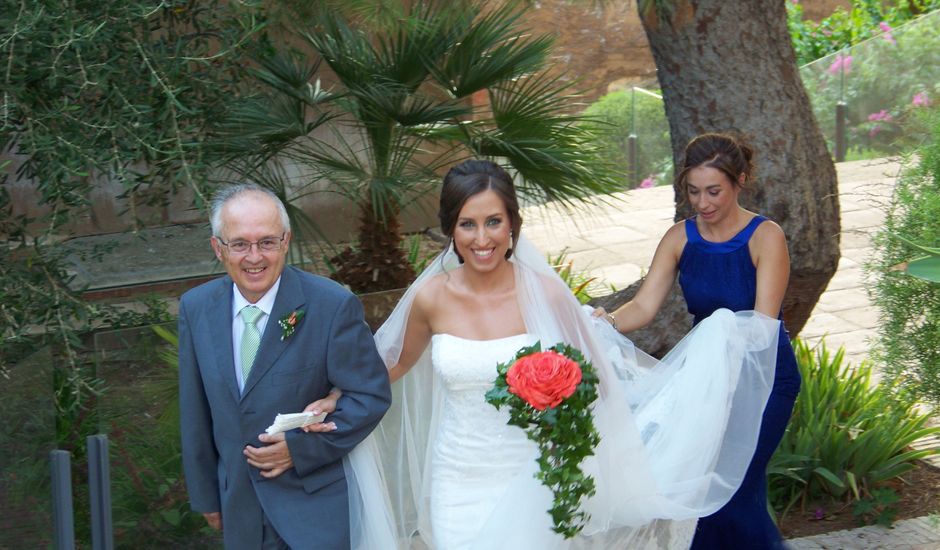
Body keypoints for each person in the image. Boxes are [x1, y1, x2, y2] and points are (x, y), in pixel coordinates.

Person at [315, 159, 784, 549]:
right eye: (468, 224)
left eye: (494, 221)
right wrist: (340, 394)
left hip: (534, 475)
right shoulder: (432, 298)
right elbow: (394, 363)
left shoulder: (545, 294)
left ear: (513, 224)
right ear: (450, 230)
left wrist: (560, 402)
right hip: (457, 478)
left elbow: (595, 380)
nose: (483, 239)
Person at [595, 133, 801, 549]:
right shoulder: (679, 238)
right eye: (693, 191)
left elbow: (762, 326)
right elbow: (644, 306)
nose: (703, 203)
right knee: (713, 489)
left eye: (714, 192)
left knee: (732, 490)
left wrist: (722, 335)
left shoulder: (766, 237)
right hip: (706, 382)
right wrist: (607, 320)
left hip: (764, 381)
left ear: (740, 181)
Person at [177, 183, 392, 549]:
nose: (254, 256)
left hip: (314, 511)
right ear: (218, 248)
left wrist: (300, 449)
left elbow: (370, 396)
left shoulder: (332, 305)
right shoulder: (196, 307)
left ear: (286, 241)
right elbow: (195, 410)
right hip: (239, 511)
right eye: (240, 243)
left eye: (267, 242)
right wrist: (207, 496)